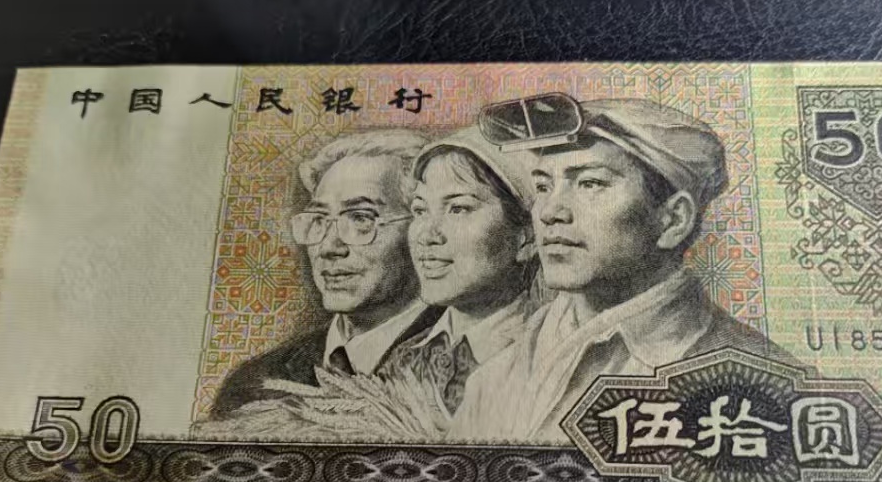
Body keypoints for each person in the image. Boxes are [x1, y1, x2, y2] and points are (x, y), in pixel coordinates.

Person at [449, 97, 803, 443]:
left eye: (590, 183)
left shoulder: (764, 383)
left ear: (673, 220)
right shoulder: (496, 376)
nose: (549, 212)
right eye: (543, 186)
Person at [210, 129, 443, 418]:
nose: (329, 247)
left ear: (421, 228)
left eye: (361, 218)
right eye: (319, 219)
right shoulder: (256, 382)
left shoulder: (467, 367)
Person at [377, 127, 540, 425]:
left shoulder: (548, 356)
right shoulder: (402, 360)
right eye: (420, 210)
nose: (427, 235)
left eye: (458, 208)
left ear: (526, 237)